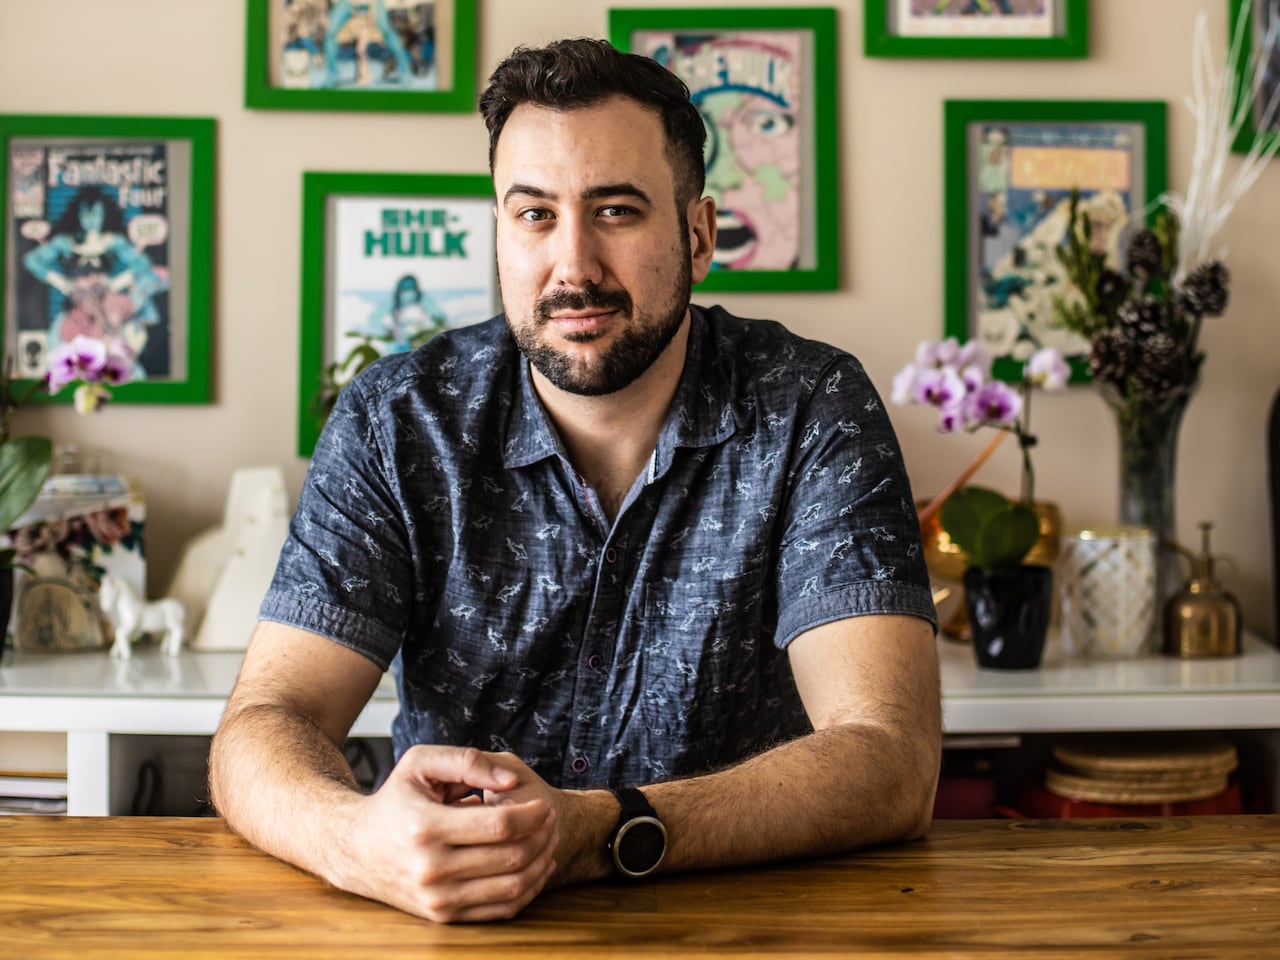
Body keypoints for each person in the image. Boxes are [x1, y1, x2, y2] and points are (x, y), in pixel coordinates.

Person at [210, 37, 941, 925]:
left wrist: (598, 832)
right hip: (457, 930)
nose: (573, 266)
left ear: (699, 233)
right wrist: (352, 837)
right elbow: (266, 721)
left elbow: (889, 758)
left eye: (618, 211)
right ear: (498, 233)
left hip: (751, 928)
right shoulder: (399, 420)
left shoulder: (811, 407)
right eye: (534, 215)